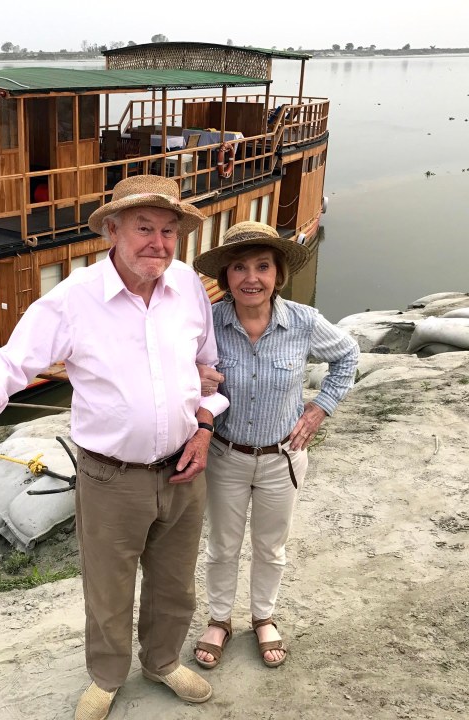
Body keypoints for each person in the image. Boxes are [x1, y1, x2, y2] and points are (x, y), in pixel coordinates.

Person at [0, 175, 229, 720]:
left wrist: (203, 427)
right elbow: (12, 359)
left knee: (175, 581)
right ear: (113, 232)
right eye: (144, 228)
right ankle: (106, 676)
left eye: (169, 231)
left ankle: (163, 661)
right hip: (110, 476)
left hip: (184, 468)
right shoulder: (74, 299)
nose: (159, 243)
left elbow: (209, 369)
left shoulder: (189, 288)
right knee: (108, 587)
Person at [190, 221, 359, 670]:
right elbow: (171, 364)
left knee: (271, 546)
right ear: (225, 276)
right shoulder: (207, 323)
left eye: (263, 266)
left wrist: (320, 407)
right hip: (224, 453)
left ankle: (263, 617)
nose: (251, 278)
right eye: (239, 267)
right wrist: (192, 377)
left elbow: (348, 355)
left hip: (281, 458)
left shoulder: (303, 323)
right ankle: (220, 620)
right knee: (223, 545)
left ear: (278, 274)